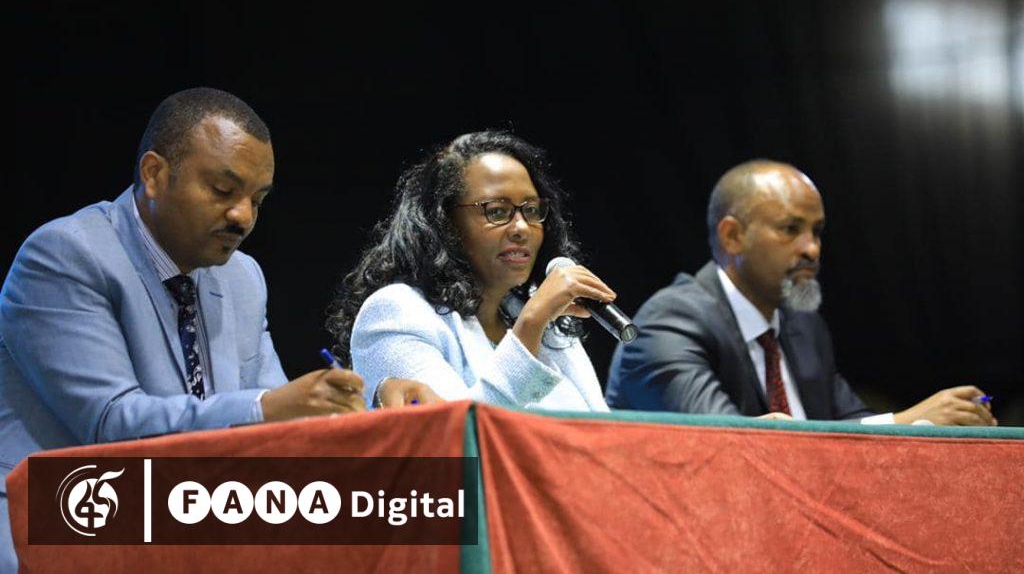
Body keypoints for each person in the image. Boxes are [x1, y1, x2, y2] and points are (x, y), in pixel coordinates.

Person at [0, 88, 435, 570]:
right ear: (154, 174)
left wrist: (368, 410)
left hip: (177, 526)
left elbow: (283, 421)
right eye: (223, 191)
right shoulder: (66, 256)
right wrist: (266, 409)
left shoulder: (242, 277)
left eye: (257, 200)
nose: (243, 217)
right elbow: (111, 426)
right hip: (60, 523)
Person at [606, 159, 997, 426]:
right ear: (733, 236)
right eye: (790, 229)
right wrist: (907, 421)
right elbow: (731, 447)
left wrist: (928, 424)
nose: (812, 248)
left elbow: (846, 425)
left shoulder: (802, 327)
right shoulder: (668, 323)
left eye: (817, 231)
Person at [328, 131, 612, 411]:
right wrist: (531, 322)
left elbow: (602, 426)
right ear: (445, 222)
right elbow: (454, 431)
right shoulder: (397, 312)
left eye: (531, 210)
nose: (522, 228)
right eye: (497, 211)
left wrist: (534, 320)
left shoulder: (548, 327)